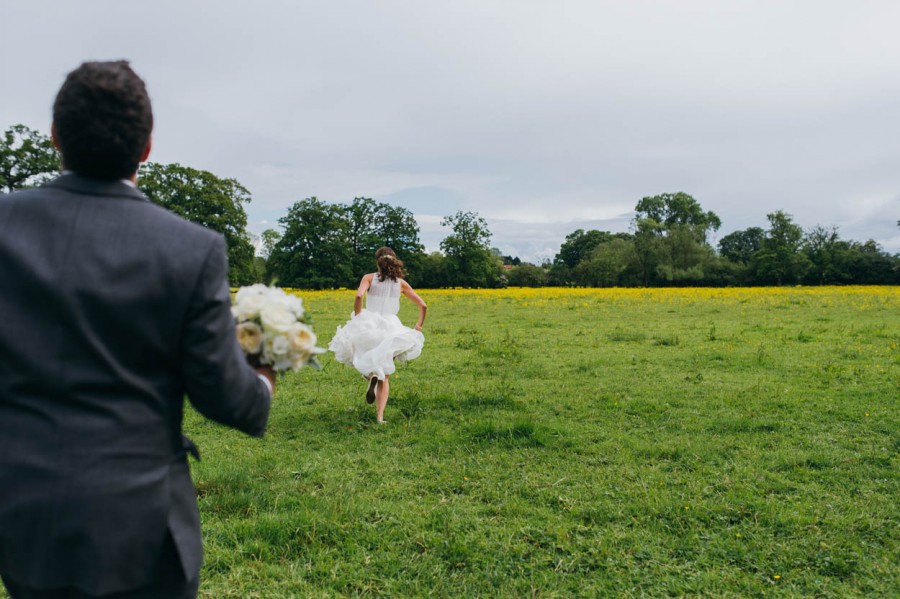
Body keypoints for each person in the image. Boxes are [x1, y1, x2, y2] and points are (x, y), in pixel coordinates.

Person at [0, 61, 274, 598]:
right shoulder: (192, 249)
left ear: (55, 137)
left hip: (23, 514)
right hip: (144, 524)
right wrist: (264, 368)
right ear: (147, 147)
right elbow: (227, 400)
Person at [329, 247, 427, 423]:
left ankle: (371, 376)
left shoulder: (368, 278)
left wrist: (358, 317)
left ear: (377, 261)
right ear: (393, 261)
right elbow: (423, 305)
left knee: (358, 356)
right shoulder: (400, 283)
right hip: (391, 327)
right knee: (385, 373)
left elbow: (359, 296)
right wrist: (419, 325)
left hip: (369, 324)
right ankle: (380, 417)